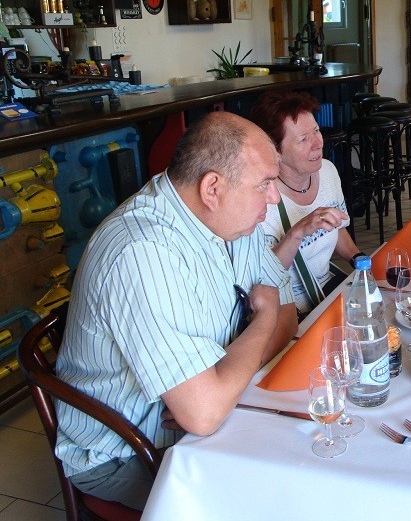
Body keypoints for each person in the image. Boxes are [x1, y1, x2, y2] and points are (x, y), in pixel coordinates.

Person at [55, 112, 298, 510]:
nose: (274, 198)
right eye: (264, 184)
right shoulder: (143, 252)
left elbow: (288, 318)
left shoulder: (235, 222)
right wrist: (263, 320)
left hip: (208, 419)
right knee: (272, 502)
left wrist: (227, 382)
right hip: (127, 451)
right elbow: (203, 415)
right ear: (212, 188)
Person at [250, 91, 363, 314]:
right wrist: (297, 232)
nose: (318, 143)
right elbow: (263, 278)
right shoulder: (261, 199)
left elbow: (338, 229)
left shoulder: (328, 171)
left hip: (326, 292)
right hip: (285, 308)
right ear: (276, 151)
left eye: (316, 131)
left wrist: (360, 260)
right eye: (303, 139)